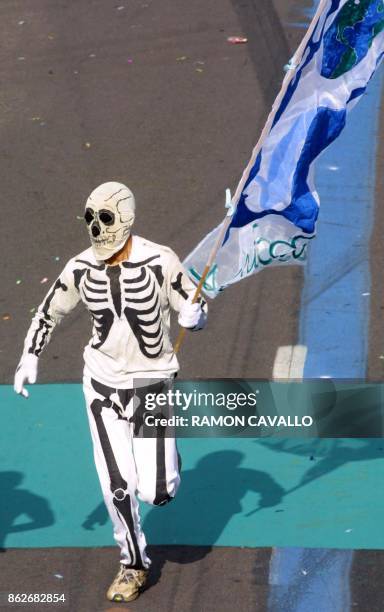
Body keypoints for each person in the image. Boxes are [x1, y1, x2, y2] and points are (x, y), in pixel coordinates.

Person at [14, 182, 207, 603]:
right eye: (90, 219)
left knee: (159, 490)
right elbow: (49, 311)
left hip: (151, 383)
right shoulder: (81, 268)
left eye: (105, 218)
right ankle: (133, 564)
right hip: (101, 385)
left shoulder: (160, 260)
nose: (97, 229)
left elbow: (191, 302)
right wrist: (29, 356)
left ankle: (167, 459)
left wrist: (196, 314)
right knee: (116, 485)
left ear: (128, 219)